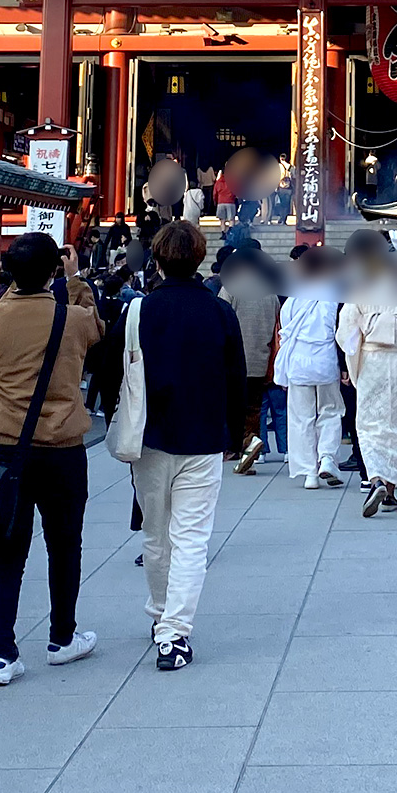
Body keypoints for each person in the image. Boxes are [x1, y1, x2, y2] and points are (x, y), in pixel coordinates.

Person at [0, 233, 102, 684]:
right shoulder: (74, 318)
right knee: (65, 545)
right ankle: (62, 636)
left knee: (8, 552)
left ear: (8, 276)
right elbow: (97, 327)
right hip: (63, 449)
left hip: (8, 449)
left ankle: (1, 653)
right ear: (53, 271)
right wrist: (74, 279)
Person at [123, 218, 247, 669]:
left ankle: (160, 616)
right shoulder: (219, 312)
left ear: (156, 258)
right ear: (199, 258)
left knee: (156, 535)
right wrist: (234, 434)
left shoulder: (139, 310)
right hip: (203, 435)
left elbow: (121, 374)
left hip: (151, 436)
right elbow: (236, 380)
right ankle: (175, 633)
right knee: (192, 538)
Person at [338, 235, 397, 516]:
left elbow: (347, 330)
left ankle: (374, 479)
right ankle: (391, 489)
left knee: (369, 422)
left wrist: (353, 361)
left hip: (372, 358)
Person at [273, 259, 345, 488]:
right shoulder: (335, 296)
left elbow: (284, 332)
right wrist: (345, 365)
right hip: (325, 361)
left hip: (298, 362)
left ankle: (308, 473)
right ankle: (327, 457)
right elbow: (341, 332)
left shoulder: (293, 299)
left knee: (301, 417)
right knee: (330, 411)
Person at [218, 248, 279, 474]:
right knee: (254, 408)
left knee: (231, 407)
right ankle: (248, 455)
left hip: (234, 360)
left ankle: (244, 443)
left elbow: (220, 320)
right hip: (260, 360)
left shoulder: (231, 288)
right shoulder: (270, 291)